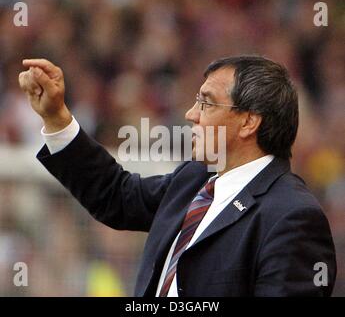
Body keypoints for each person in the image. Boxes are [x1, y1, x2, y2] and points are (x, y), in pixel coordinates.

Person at [18, 56, 336, 296]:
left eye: (206, 103)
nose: (191, 114)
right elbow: (115, 195)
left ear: (248, 122)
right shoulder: (194, 180)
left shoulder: (292, 215)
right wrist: (56, 117)